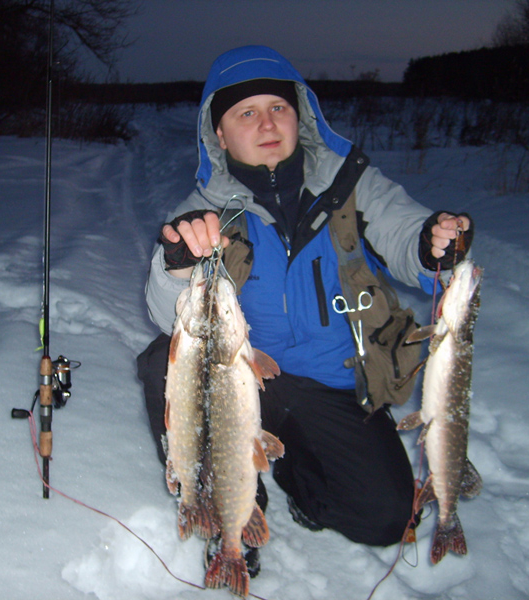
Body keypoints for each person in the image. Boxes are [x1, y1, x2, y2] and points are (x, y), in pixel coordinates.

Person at [136, 45, 472, 572]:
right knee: (166, 359)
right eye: (246, 113)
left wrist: (433, 242)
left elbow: (406, 234)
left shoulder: (351, 184)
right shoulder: (202, 213)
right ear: (219, 134)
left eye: (279, 107)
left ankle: (299, 480)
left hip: (333, 388)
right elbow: (166, 315)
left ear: (302, 116)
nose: (267, 123)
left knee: (386, 517)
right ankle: (229, 513)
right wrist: (177, 266)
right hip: (244, 381)